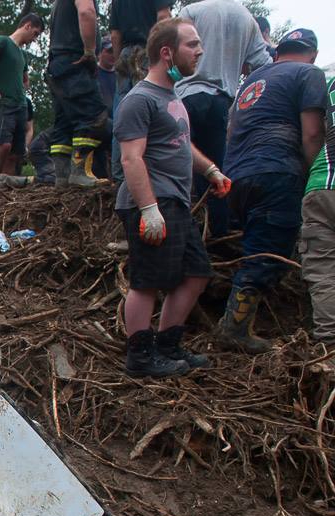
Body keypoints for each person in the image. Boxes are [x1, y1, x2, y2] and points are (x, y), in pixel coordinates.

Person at [114, 18, 231, 377]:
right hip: (152, 201)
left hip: (174, 201)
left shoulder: (171, 97)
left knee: (196, 273)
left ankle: (167, 346)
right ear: (167, 53)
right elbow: (131, 158)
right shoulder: (140, 99)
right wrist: (149, 210)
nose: (200, 51)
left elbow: (179, 144)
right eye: (191, 45)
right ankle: (140, 358)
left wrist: (210, 170)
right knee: (147, 281)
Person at [216, 28, 326, 352]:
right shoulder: (309, 73)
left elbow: (231, 129)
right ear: (314, 54)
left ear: (278, 51)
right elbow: (311, 134)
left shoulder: (252, 80)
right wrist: (310, 177)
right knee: (267, 251)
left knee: (255, 240)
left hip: (236, 174)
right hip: (277, 171)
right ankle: (233, 329)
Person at [175, 0, 271, 236]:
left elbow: (172, 47)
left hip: (185, 96)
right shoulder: (246, 18)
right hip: (220, 100)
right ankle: (218, 229)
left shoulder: (193, 11)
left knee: (178, 160)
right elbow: (263, 63)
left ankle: (180, 227)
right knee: (215, 169)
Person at [0, 13, 44, 200]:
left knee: (17, 152)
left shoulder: (22, 54)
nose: (35, 38)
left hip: (20, 105)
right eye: (36, 33)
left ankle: (8, 191)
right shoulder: (3, 42)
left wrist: (23, 83)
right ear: (28, 26)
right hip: (3, 103)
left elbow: (24, 80)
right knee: (3, 145)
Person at [46, 0, 109, 188]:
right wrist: (90, 52)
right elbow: (86, 12)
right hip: (75, 62)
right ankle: (80, 172)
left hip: (58, 65)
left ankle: (61, 176)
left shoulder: (58, 4)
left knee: (64, 122)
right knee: (94, 116)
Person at [108, 0, 174, 179]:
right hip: (147, 51)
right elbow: (163, 17)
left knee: (121, 112)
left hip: (124, 52)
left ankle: (120, 175)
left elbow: (115, 35)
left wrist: (118, 61)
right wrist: (161, 52)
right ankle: (146, 171)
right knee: (147, 111)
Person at [301, 72, 335, 344]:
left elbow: (314, 133)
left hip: (320, 185)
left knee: (324, 272)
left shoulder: (331, 83)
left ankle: (330, 350)